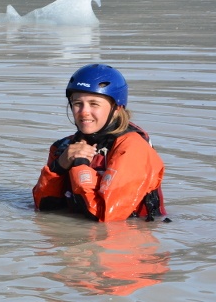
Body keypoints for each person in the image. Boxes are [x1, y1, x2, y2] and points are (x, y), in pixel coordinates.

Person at [33, 63, 166, 222]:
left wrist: (80, 166)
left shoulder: (133, 148)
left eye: (94, 104)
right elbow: (43, 207)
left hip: (127, 237)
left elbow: (106, 218)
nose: (83, 112)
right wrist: (58, 166)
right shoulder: (64, 147)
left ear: (117, 107)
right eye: (77, 103)